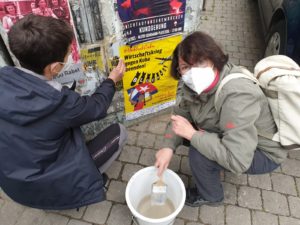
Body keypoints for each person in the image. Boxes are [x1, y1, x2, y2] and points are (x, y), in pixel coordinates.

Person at [0, 15, 127, 210]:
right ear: (55, 67)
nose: (69, 57)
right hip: (49, 182)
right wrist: (111, 80)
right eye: (68, 54)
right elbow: (96, 107)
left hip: (15, 183)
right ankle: (76, 190)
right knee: (120, 133)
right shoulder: (59, 102)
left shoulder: (4, 77)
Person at [154, 31, 287, 207]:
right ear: (179, 70)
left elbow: (238, 160)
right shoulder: (189, 85)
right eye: (186, 67)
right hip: (237, 135)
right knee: (191, 134)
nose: (192, 72)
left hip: (263, 152)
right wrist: (168, 146)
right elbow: (180, 116)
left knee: (198, 152)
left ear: (214, 60)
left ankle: (211, 196)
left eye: (199, 62)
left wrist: (193, 135)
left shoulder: (237, 95)